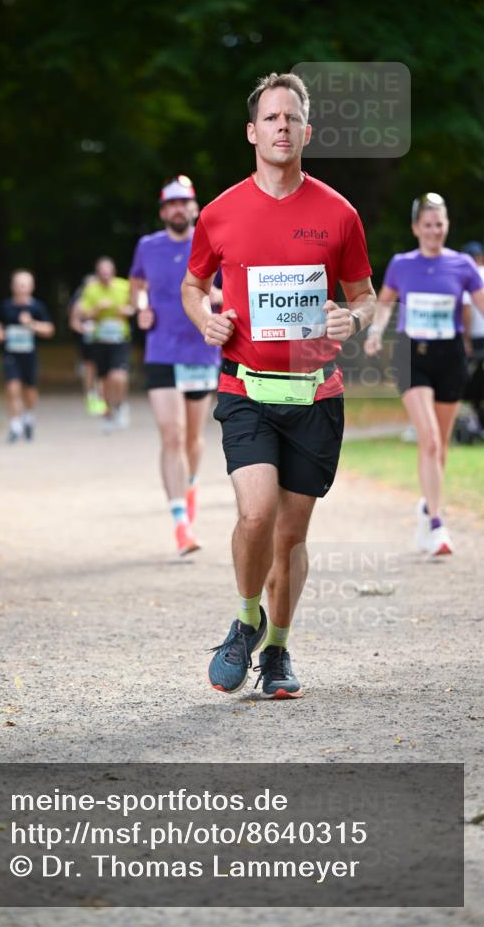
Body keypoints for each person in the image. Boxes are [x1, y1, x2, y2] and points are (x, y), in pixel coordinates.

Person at [182, 72, 376, 698]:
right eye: (271, 118)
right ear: (252, 131)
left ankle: (279, 653)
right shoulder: (219, 212)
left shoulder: (339, 213)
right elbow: (192, 285)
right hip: (245, 389)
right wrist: (206, 318)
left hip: (315, 394)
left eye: (291, 118)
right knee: (255, 512)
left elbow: (364, 295)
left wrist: (355, 317)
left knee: (291, 536)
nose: (282, 127)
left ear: (307, 130)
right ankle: (245, 620)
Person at [364, 198, 484, 554]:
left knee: (440, 447)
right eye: (427, 225)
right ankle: (437, 524)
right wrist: (374, 333)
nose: (434, 231)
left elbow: (480, 304)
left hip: (450, 356)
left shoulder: (462, 265)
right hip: (411, 354)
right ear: (416, 228)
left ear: (446, 226)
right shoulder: (402, 265)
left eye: (440, 224)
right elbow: (385, 303)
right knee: (429, 438)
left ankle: (425, 507)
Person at [129, 176, 222, 557]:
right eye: (171, 204)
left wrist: (213, 296)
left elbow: (230, 287)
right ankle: (181, 523)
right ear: (163, 211)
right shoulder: (147, 246)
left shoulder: (212, 242)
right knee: (172, 434)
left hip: (201, 350)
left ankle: (191, 483)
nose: (178, 209)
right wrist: (141, 310)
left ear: (194, 208)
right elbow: (136, 284)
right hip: (161, 351)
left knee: (192, 439)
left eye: (185, 202)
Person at [0, 269, 55, 443]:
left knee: (30, 391)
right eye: (18, 284)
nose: (21, 288)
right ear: (12, 286)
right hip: (11, 355)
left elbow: (49, 329)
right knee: (12, 388)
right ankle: (15, 425)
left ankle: (28, 417)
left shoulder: (37, 307)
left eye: (25, 284)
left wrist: (31, 324)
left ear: (31, 287)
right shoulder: (5, 306)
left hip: (29, 355)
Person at [76, 257, 133, 432]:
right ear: (97, 273)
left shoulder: (124, 286)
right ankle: (108, 415)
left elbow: (136, 307)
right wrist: (97, 309)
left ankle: (122, 405)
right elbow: (83, 315)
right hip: (99, 340)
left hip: (119, 339)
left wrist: (127, 310)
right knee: (104, 381)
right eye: (102, 273)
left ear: (113, 272)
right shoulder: (91, 289)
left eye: (108, 272)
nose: (105, 276)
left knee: (119, 376)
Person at [68, 274, 106, 416]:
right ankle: (90, 396)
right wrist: (84, 329)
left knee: (103, 369)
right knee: (89, 369)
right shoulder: (79, 302)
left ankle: (103, 398)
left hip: (103, 339)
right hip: (88, 340)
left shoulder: (104, 299)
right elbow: (74, 322)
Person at [461, 241, 484, 434]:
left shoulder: (470, 275)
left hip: (478, 338)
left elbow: (466, 310)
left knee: (475, 382)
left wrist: (465, 338)